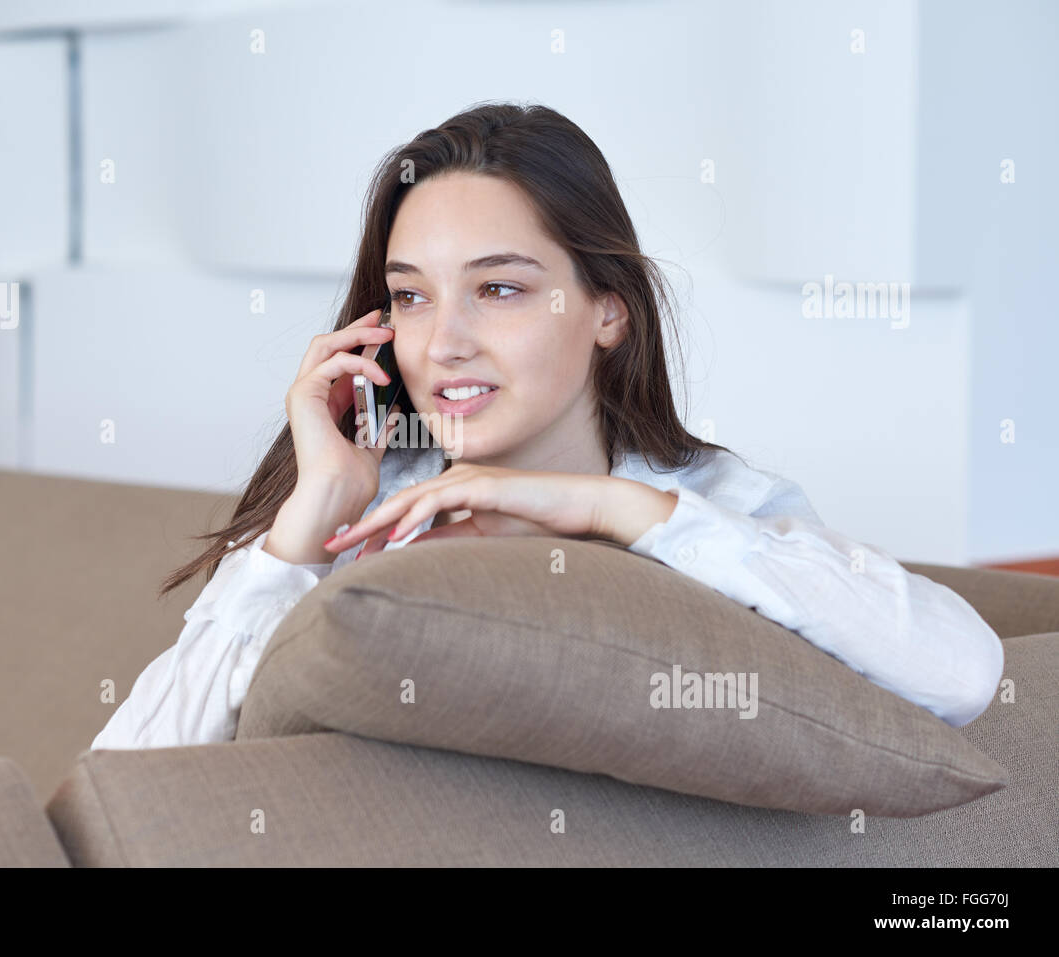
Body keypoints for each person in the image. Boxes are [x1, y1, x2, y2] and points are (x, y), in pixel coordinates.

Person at [91, 102, 1003, 751]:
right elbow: (125, 788)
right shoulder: (356, 523)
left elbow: (961, 672)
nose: (443, 342)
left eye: (499, 289)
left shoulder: (703, 511)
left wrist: (604, 506)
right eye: (410, 296)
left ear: (608, 309)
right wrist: (304, 520)